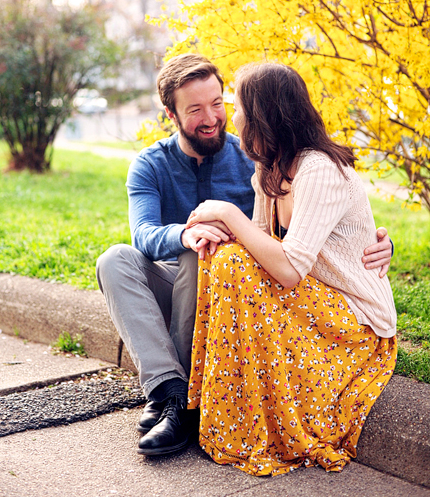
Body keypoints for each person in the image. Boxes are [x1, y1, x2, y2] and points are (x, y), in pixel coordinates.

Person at [95, 53, 393, 457]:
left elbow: (314, 234)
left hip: (279, 294)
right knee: (126, 257)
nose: (217, 117)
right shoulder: (155, 164)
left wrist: (381, 245)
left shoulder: (265, 157)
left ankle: (191, 403)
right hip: (201, 288)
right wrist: (188, 233)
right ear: (171, 113)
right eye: (196, 109)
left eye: (221, 104)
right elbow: (145, 235)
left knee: (209, 253)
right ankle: (171, 392)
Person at [184, 61, 398, 475]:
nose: (235, 117)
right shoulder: (270, 167)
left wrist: (229, 214)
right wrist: (221, 228)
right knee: (226, 255)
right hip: (312, 301)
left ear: (265, 114)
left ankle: (250, 416)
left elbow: (287, 270)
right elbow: (260, 246)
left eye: (239, 108)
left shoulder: (319, 169)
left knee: (233, 256)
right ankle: (228, 409)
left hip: (354, 318)